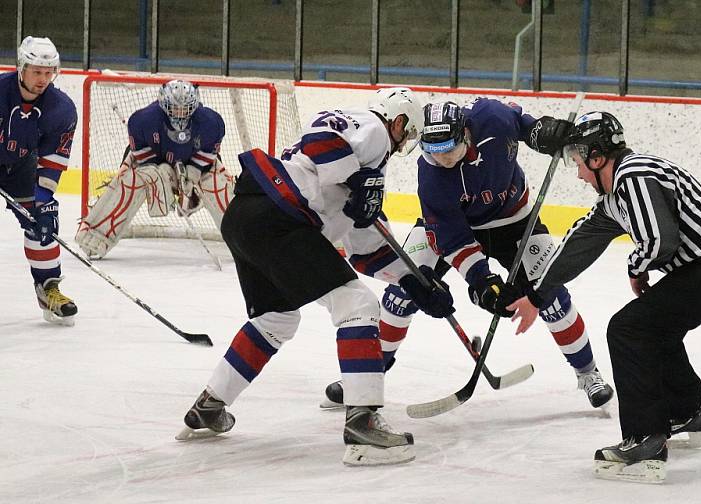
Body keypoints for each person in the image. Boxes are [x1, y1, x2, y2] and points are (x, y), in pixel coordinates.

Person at [177, 87, 455, 466]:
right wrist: (360, 180)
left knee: (276, 319)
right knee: (358, 304)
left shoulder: (365, 164)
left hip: (247, 217)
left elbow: (364, 248)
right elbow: (321, 137)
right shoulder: (373, 129)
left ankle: (210, 406)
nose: (402, 146)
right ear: (400, 121)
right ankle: (364, 422)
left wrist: (414, 283)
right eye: (406, 137)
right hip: (280, 217)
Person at [515, 111, 701, 483]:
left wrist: (636, 267)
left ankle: (645, 438)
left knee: (629, 328)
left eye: (578, 160)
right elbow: (579, 245)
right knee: (655, 326)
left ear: (597, 156)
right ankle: (687, 411)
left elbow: (659, 242)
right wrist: (534, 294)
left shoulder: (635, 174)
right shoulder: (617, 193)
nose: (579, 173)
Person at [321, 99, 614, 410]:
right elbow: (454, 239)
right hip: (457, 227)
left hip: (512, 219)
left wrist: (541, 132)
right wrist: (482, 282)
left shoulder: (493, 118)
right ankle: (367, 374)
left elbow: (524, 125)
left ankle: (587, 373)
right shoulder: (432, 177)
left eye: (450, 149)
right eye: (435, 152)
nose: (445, 159)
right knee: (402, 293)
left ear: (466, 135)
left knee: (551, 293)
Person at [75, 79, 231, 258]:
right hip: (153, 161)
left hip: (196, 162)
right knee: (130, 182)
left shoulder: (211, 122)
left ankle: (243, 239)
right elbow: (141, 155)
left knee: (218, 186)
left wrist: (194, 173)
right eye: (175, 108)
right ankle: (96, 234)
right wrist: (163, 174)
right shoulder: (143, 120)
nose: (180, 113)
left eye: (185, 108)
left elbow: (209, 151)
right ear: (163, 104)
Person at [1, 36, 77, 325]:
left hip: (20, 166)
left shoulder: (61, 109)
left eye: (48, 72)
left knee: (42, 220)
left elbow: (53, 158)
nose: (43, 79)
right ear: (21, 68)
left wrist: (43, 199)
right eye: (36, 71)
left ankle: (49, 289)